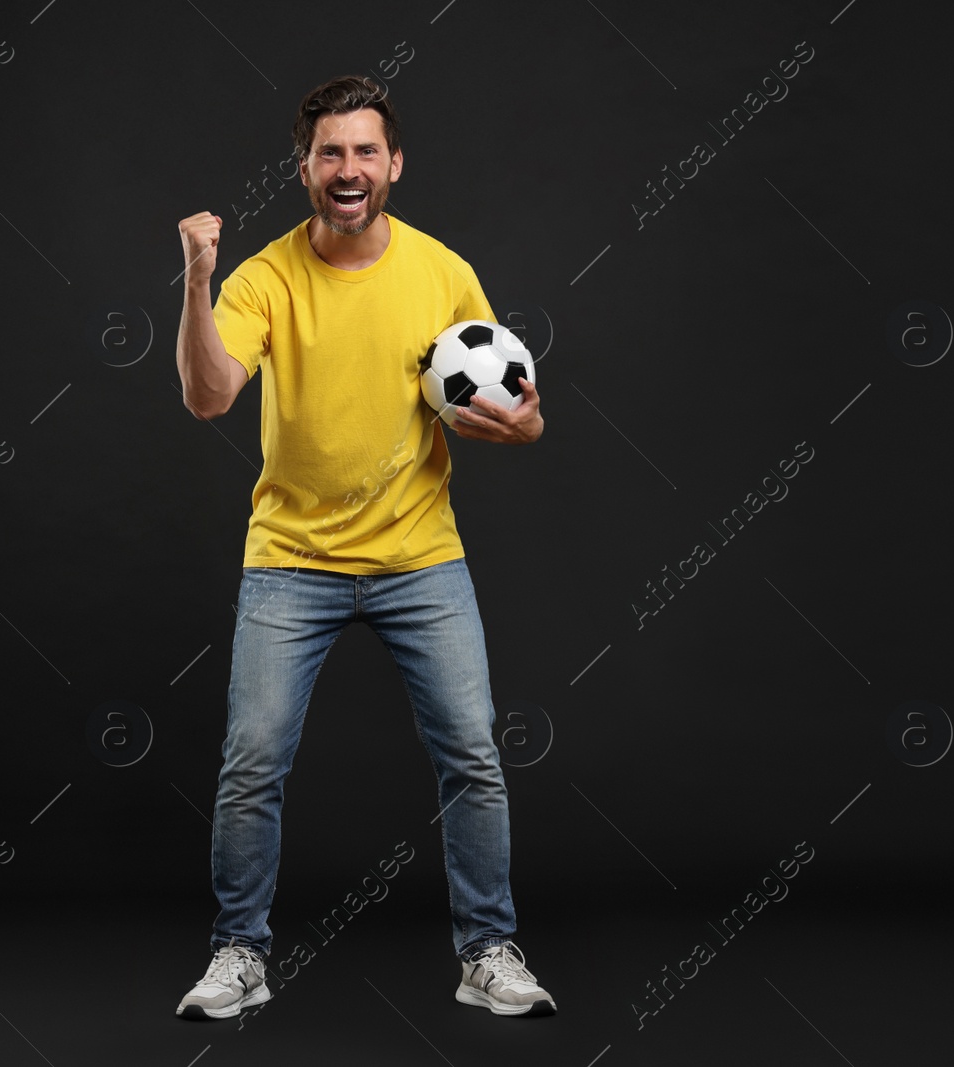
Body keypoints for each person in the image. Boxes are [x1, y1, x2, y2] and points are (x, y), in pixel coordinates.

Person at [173, 74, 553, 1020]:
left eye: (364, 152)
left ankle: (488, 951)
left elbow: (520, 407)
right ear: (304, 168)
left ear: (393, 164)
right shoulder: (263, 276)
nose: (349, 170)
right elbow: (210, 394)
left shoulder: (442, 271)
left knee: (472, 751)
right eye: (330, 153)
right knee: (252, 757)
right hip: (290, 561)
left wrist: (520, 426)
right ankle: (238, 953)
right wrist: (196, 281)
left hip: (419, 557)